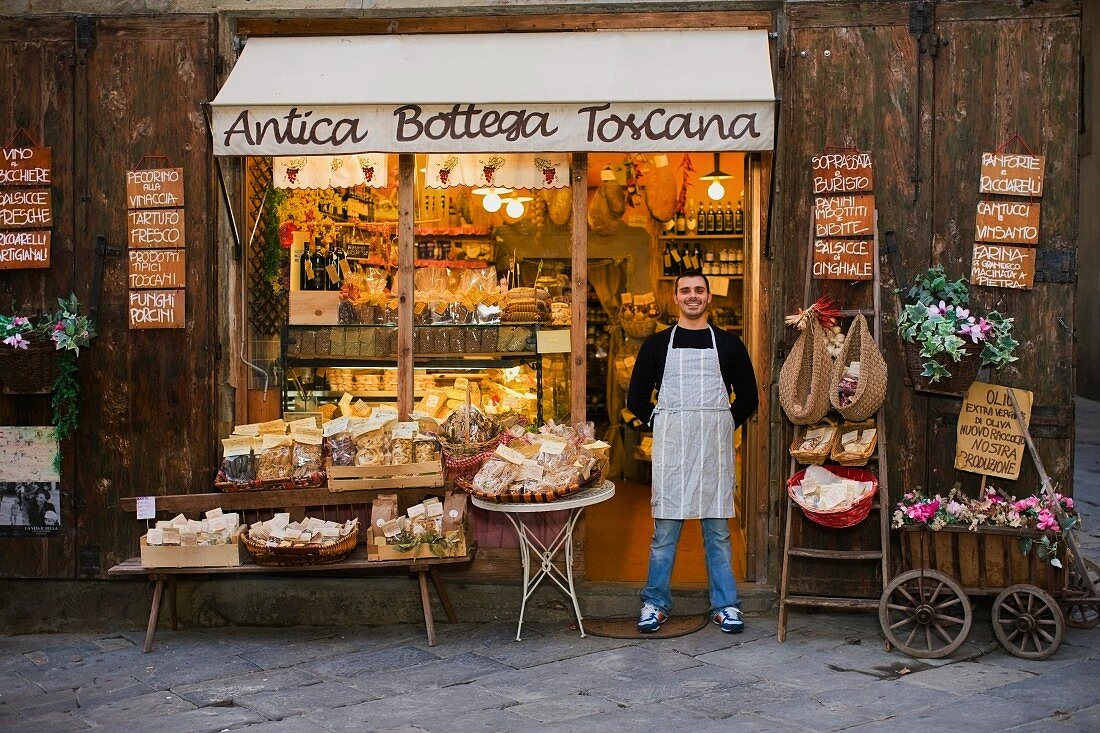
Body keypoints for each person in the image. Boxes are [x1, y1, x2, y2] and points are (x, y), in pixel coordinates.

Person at [626, 271, 759, 634]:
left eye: (699, 290)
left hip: (714, 448)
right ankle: (655, 603)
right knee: (664, 534)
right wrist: (664, 422)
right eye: (685, 290)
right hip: (673, 448)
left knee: (717, 531)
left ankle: (726, 604)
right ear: (675, 298)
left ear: (708, 297)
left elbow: (749, 397)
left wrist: (722, 423)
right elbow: (636, 398)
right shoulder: (655, 345)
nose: (692, 296)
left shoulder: (730, 345)